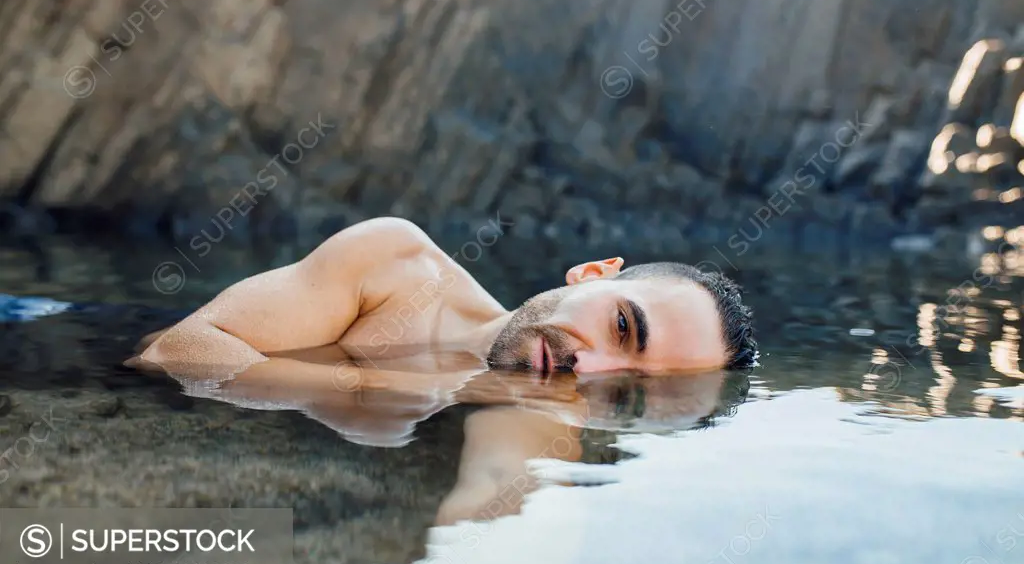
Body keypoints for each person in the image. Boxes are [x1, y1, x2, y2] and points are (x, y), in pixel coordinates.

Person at [133, 216, 757, 379]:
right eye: (623, 328)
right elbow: (175, 348)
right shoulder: (398, 265)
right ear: (592, 274)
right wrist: (382, 388)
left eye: (630, 388)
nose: (590, 370)